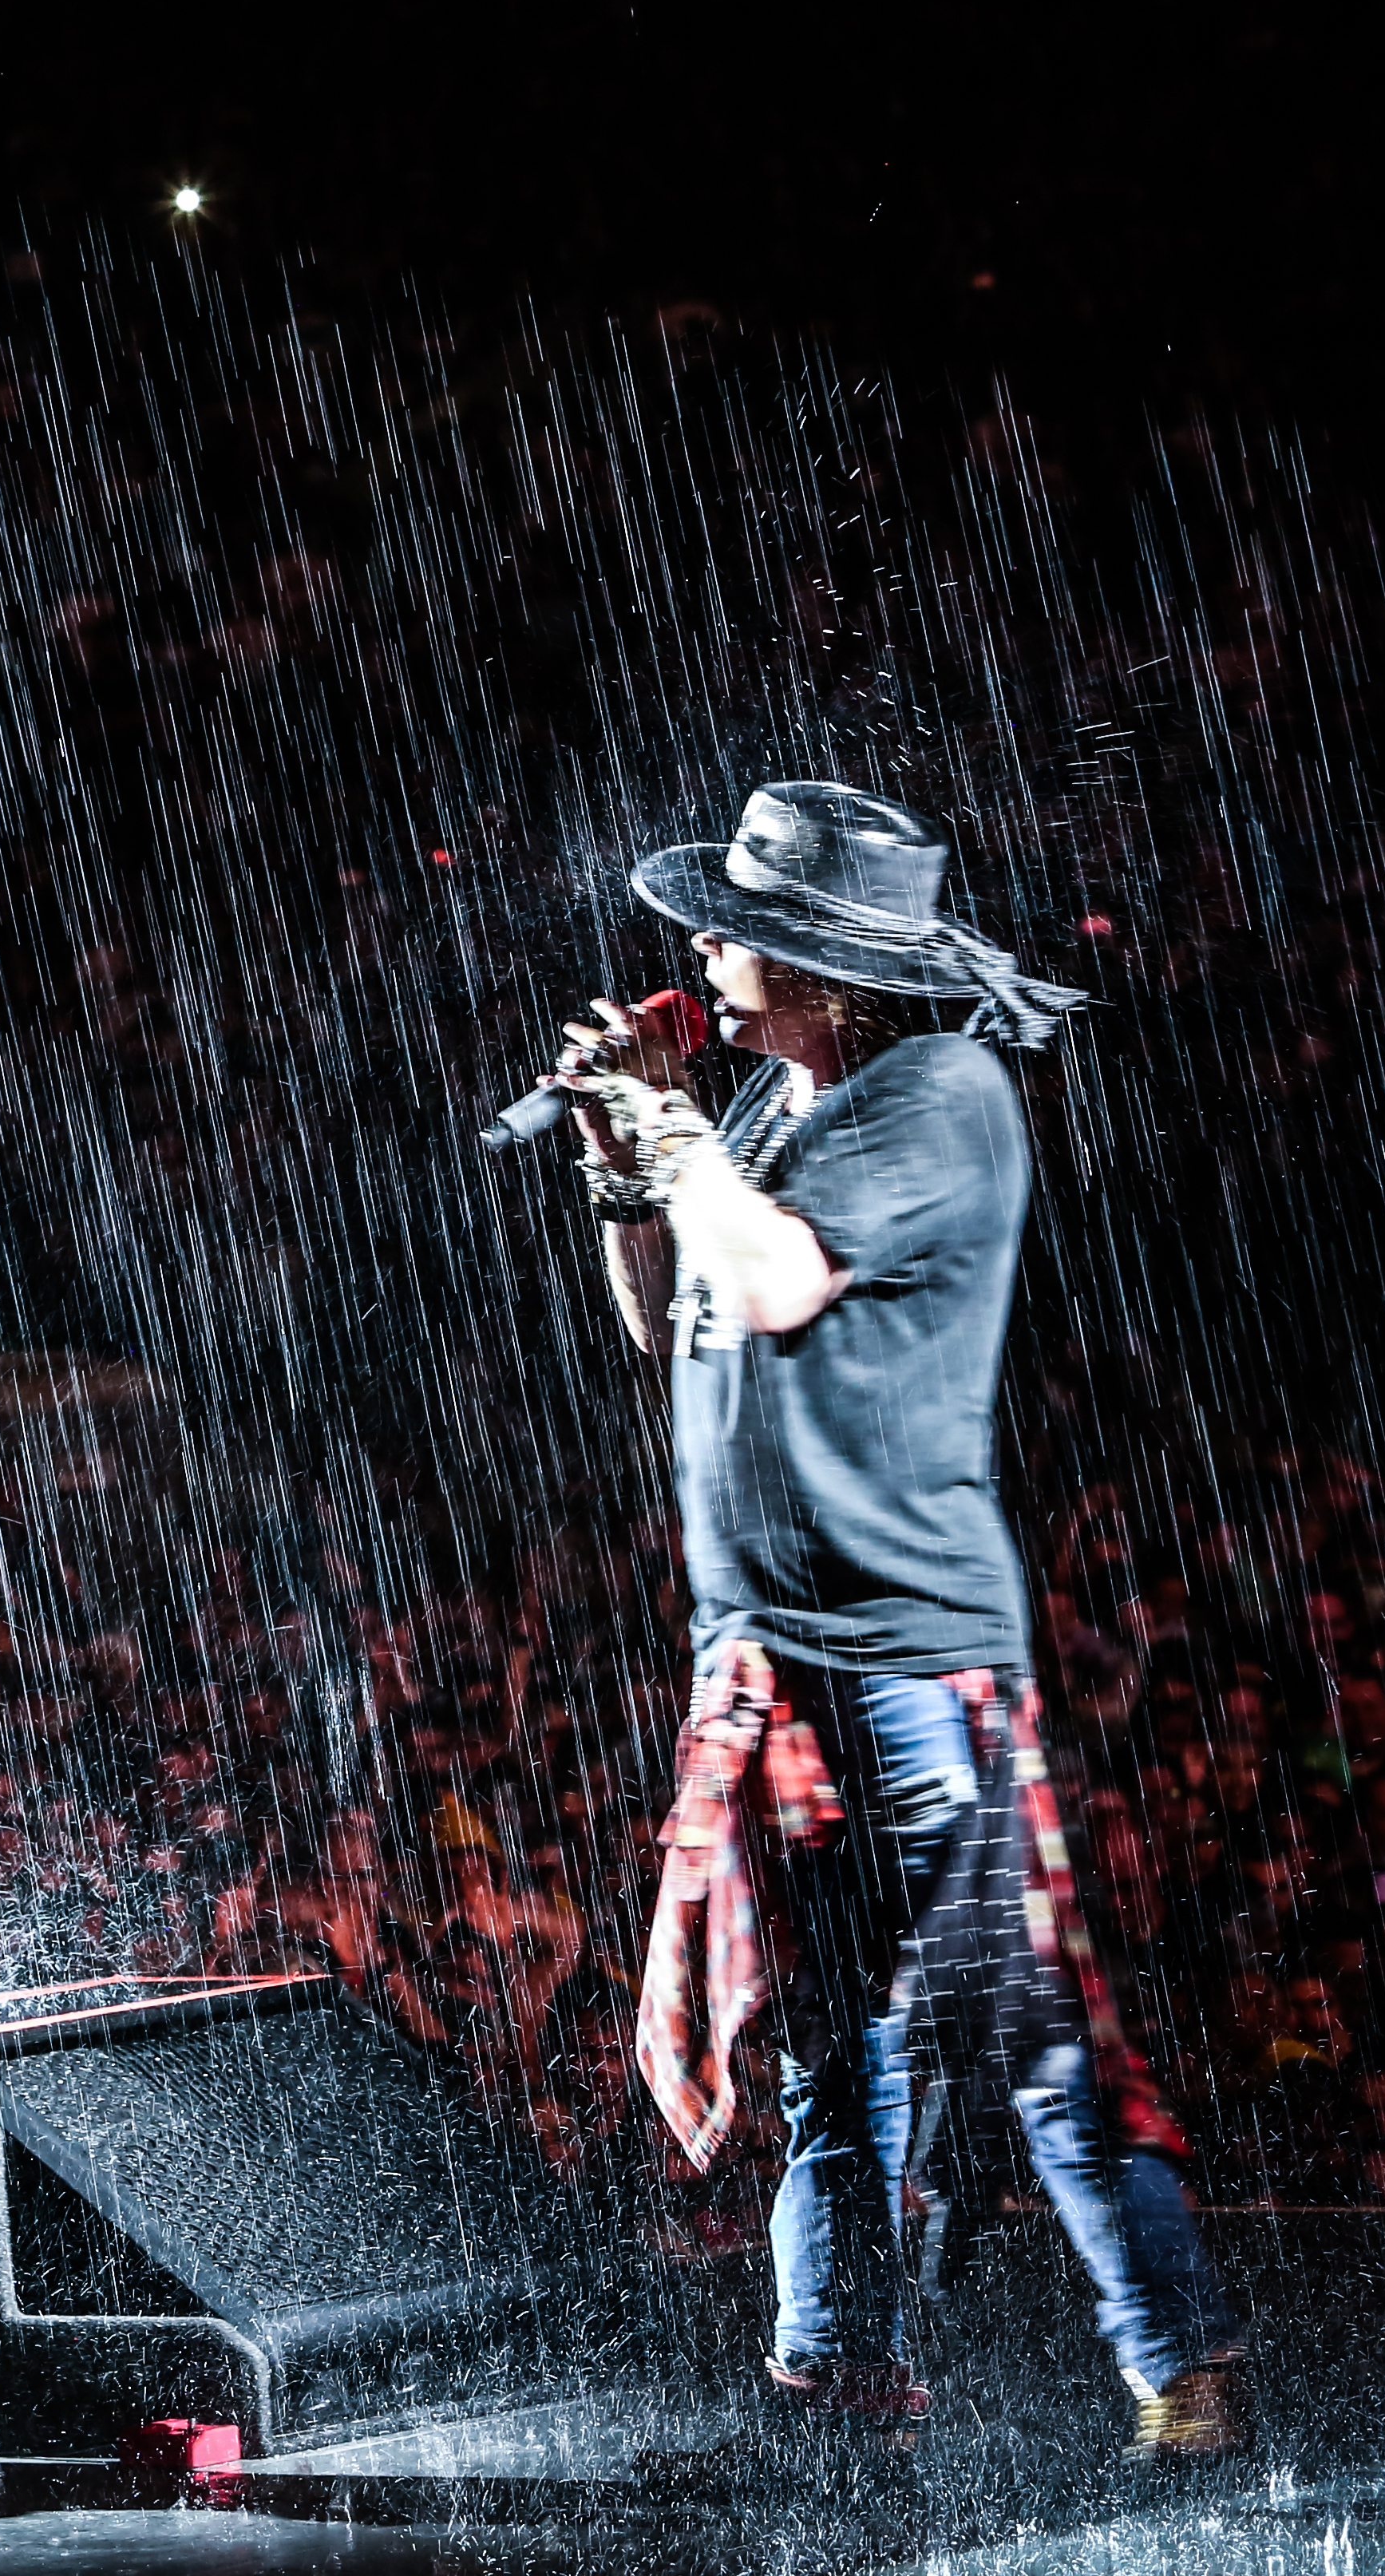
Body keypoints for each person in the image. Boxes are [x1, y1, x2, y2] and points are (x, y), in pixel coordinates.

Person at [548, 782, 1248, 2463]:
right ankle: (833, 2375)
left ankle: (1179, 2364)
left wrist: (671, 1135)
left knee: (1017, 2026)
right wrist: (621, 1173)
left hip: (900, 1653)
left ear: (820, 963)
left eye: (729, 929)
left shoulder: (939, 1095)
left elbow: (784, 1287)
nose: (700, 954)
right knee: (838, 2045)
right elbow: (675, 1331)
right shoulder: (786, 1112)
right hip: (787, 1654)